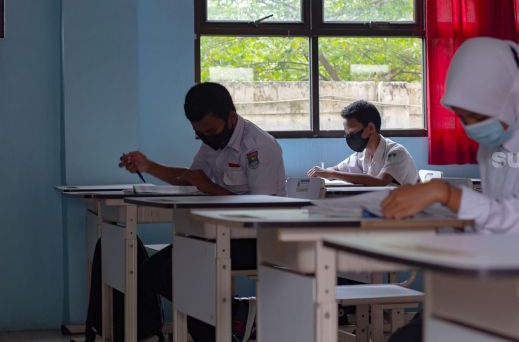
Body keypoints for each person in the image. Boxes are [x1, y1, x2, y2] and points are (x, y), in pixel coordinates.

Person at [382, 37, 519, 341]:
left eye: (478, 117)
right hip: (513, 279)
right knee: (415, 332)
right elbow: (495, 222)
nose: (471, 126)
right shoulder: (495, 145)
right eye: (463, 117)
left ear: (511, 98)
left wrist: (448, 195)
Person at [86, 82, 285, 342]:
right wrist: (149, 165)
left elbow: (262, 209)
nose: (207, 137)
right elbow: (190, 179)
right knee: (154, 271)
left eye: (211, 130)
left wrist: (210, 187)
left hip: (257, 240)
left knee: (179, 273)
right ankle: (233, 318)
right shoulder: (212, 143)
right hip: (217, 235)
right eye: (199, 133)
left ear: (231, 118)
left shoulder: (259, 147)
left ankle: (227, 324)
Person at [307, 100, 419, 185]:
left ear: (370, 128)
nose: (349, 137)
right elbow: (336, 169)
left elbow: (380, 181)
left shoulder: (396, 153)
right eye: (346, 134)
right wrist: (323, 172)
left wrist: (332, 174)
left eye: (352, 132)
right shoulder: (362, 155)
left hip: (413, 213)